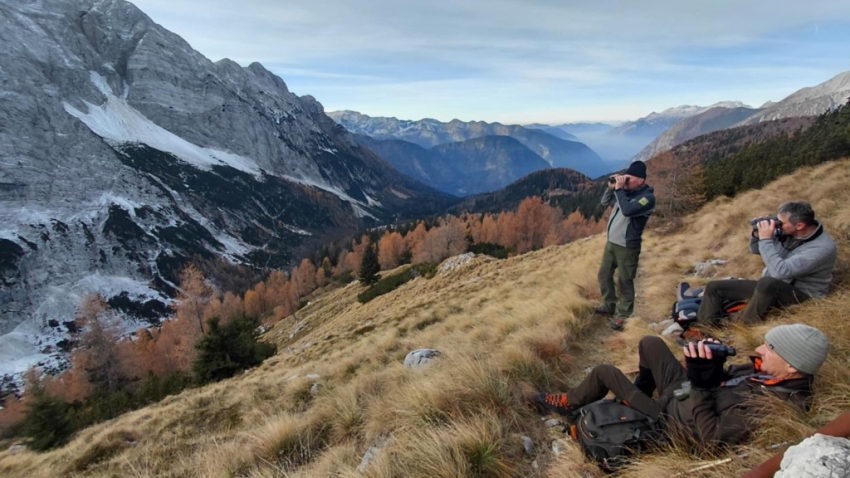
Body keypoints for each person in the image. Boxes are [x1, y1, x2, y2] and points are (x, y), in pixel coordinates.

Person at [534, 323, 829, 446]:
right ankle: (637, 399)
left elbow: (711, 435)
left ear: (792, 365)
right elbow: (723, 382)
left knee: (604, 371)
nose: (760, 351)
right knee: (650, 342)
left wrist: (701, 385)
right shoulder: (769, 373)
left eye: (771, 348)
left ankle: (567, 404)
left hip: (670, 420)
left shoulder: (776, 406)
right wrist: (711, 367)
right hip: (685, 391)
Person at [696, 201, 837, 325]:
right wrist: (757, 235)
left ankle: (745, 326)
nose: (777, 225)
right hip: (771, 287)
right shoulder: (789, 233)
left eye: (781, 223)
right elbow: (756, 249)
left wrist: (766, 240)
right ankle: (706, 329)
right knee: (714, 287)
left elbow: (780, 272)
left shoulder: (822, 248)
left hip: (802, 296)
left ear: (799, 225)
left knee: (768, 282)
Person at [595, 160, 655, 330]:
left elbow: (628, 210)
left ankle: (624, 315)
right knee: (604, 275)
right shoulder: (624, 193)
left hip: (628, 247)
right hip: (611, 244)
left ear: (641, 180)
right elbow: (604, 203)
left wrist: (620, 189)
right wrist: (610, 187)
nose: (626, 181)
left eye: (629, 178)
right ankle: (608, 305)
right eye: (625, 178)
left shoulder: (647, 198)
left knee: (625, 281)